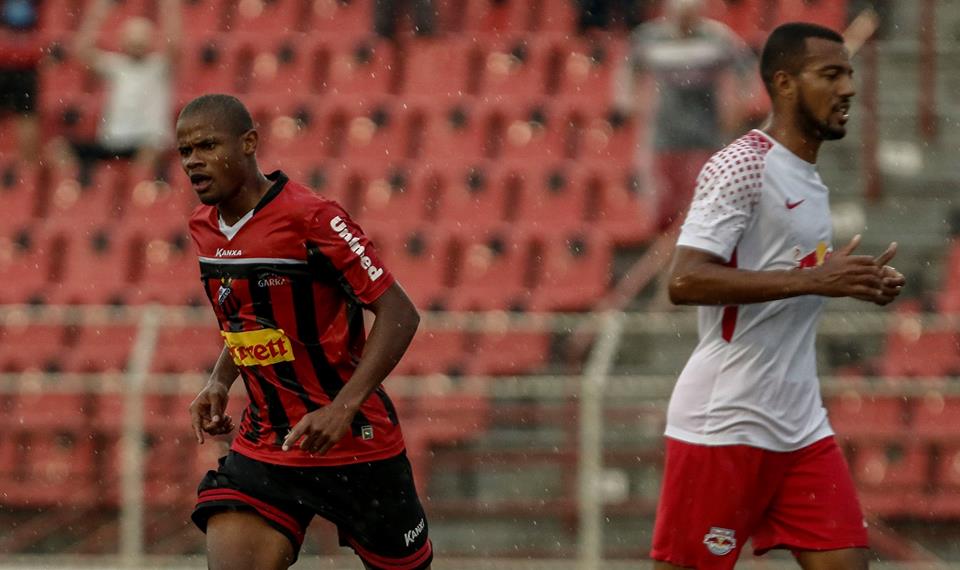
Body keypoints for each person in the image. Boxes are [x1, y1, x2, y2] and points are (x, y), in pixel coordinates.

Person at [651, 23, 905, 569]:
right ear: (785, 84)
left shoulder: (808, 179)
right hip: (725, 422)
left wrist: (854, 282)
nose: (849, 88)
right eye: (831, 74)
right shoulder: (741, 164)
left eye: (851, 74)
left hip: (800, 426)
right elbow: (684, 280)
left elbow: (792, 277)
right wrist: (819, 279)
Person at [179, 94, 432, 570]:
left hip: (355, 442)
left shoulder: (313, 218)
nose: (194, 160)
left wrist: (343, 407)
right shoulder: (203, 228)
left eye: (208, 146)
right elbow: (249, 316)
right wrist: (220, 379)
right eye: (185, 151)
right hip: (269, 444)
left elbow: (400, 314)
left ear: (249, 142)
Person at [614, 0, 755, 232]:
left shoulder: (717, 37)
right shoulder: (649, 37)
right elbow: (628, 69)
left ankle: (701, 234)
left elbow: (745, 69)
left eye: (690, 16)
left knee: (705, 186)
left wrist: (740, 105)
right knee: (664, 189)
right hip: (665, 127)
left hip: (707, 126)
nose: (684, 22)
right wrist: (628, 101)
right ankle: (665, 235)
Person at [56, 0, 179, 182]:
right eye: (132, 39)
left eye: (141, 39)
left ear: (151, 41)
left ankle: (136, 197)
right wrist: (98, 13)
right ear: (123, 40)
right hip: (113, 141)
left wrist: (169, 8)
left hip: (146, 142)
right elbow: (82, 51)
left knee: (149, 153)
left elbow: (175, 46)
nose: (136, 44)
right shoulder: (116, 66)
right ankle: (78, 195)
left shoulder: (159, 67)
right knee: (58, 148)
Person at [0, 0, 41, 162]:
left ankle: (27, 172)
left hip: (17, 65)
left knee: (27, 116)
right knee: (27, 115)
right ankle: (27, 169)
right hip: (23, 67)